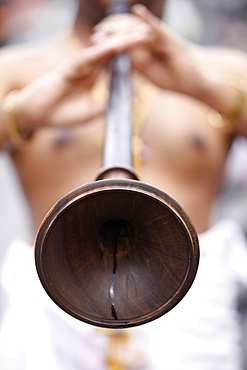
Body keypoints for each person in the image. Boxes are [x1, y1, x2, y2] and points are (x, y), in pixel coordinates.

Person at [0, 0, 247, 369]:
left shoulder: (224, 70)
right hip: (50, 311)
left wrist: (207, 87)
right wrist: (22, 112)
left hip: (192, 313)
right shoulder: (16, 69)